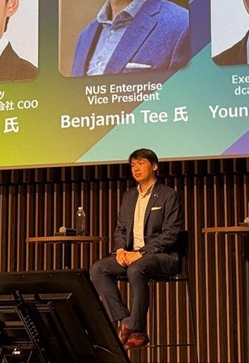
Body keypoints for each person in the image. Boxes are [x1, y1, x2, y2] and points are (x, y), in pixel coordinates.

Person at [88, 148, 185, 350]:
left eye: (141, 163)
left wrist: (142, 253)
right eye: (133, 165)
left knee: (136, 268)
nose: (136, 168)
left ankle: (137, 328)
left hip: (162, 255)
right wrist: (120, 250)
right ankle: (125, 321)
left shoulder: (168, 195)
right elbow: (121, 229)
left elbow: (171, 233)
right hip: (131, 254)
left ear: (154, 166)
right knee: (98, 269)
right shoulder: (129, 196)